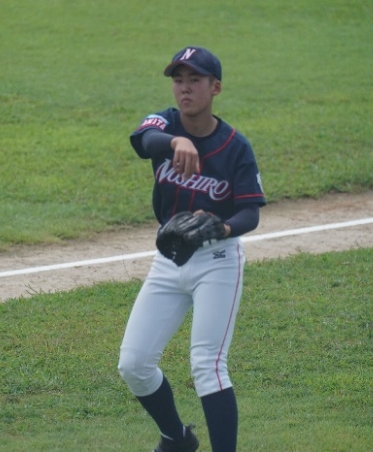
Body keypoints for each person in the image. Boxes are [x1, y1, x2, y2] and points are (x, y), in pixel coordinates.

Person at [118, 46, 266, 452]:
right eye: (178, 80)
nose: (185, 88)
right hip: (168, 260)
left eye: (195, 80)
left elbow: (250, 213)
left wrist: (222, 227)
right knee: (133, 363)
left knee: (207, 365)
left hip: (218, 262)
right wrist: (176, 141)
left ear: (215, 88)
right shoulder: (164, 124)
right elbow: (145, 141)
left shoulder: (235, 146)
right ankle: (177, 438)